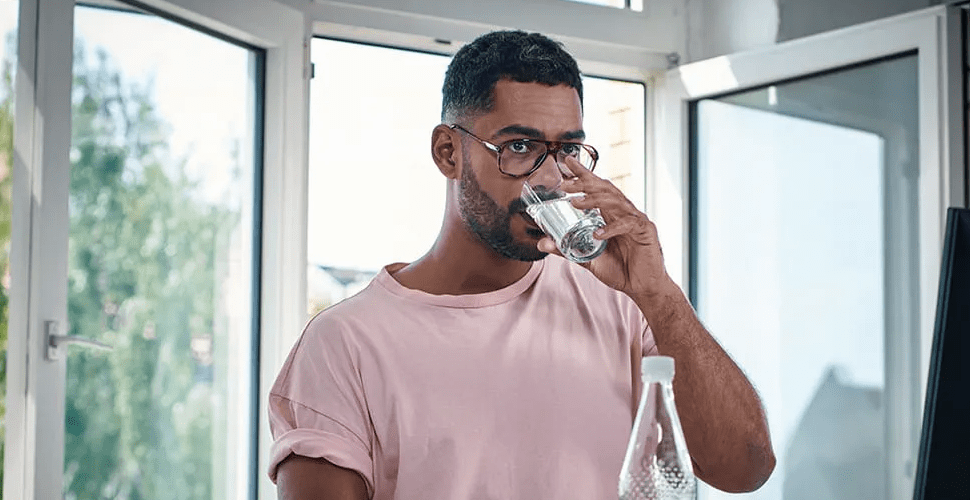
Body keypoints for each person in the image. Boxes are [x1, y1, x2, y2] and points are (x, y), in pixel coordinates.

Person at [268, 30, 775, 500]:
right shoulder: (344, 344)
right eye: (519, 147)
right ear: (448, 152)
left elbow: (744, 468)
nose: (552, 176)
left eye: (568, 149)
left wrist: (657, 291)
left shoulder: (623, 306)